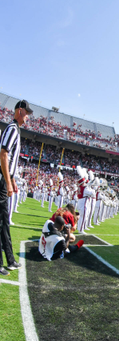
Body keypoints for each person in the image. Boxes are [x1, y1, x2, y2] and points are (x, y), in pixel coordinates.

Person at [0, 100, 32, 276]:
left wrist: (12, 180)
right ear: (19, 111)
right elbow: (3, 154)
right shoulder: (12, 129)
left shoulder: (15, 129)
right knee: (1, 222)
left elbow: (9, 159)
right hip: (1, 182)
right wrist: (7, 180)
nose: (27, 116)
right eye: (26, 113)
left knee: (4, 222)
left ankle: (10, 260)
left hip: (5, 180)